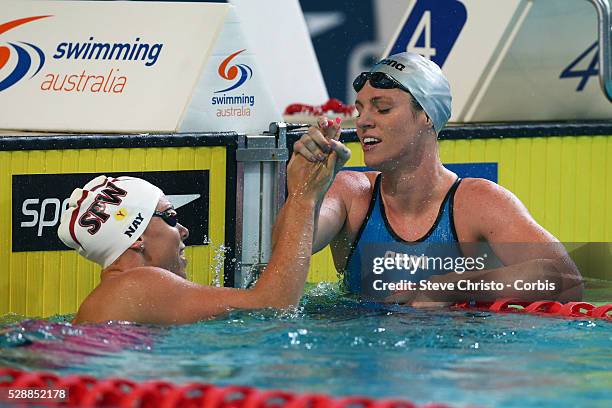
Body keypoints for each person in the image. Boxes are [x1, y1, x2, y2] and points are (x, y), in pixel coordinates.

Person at [288, 52, 583, 305]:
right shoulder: (351, 194)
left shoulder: (476, 203)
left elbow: (566, 279)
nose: (363, 121)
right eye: (360, 109)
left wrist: (446, 287)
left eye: (383, 108)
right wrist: (305, 191)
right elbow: (283, 254)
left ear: (427, 115)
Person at [58, 136, 350, 325]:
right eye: (170, 218)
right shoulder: (136, 284)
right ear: (136, 238)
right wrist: (304, 194)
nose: (183, 230)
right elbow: (273, 305)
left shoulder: (120, 295)